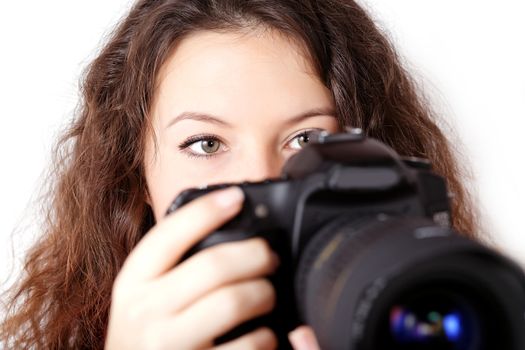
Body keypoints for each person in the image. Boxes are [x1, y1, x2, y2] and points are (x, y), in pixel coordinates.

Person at [0, 0, 479, 348]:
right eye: (206, 144)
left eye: (307, 140)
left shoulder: (443, 316)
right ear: (134, 178)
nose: (262, 177)